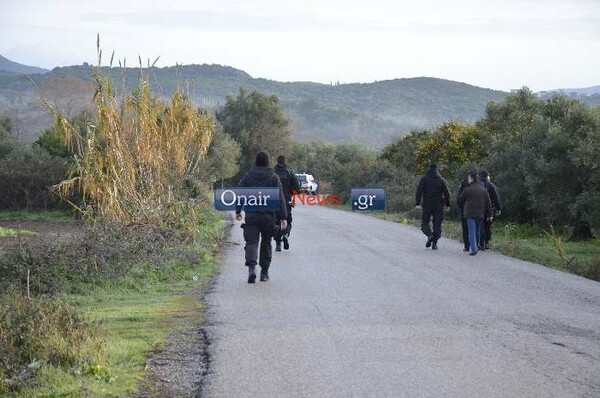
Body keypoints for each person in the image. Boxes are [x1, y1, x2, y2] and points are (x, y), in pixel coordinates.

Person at [236, 152, 288, 283]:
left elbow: (240, 194)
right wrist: (283, 217)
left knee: (251, 242)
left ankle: (252, 268)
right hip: (268, 216)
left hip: (251, 215)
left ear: (256, 162)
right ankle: (264, 272)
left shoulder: (248, 176)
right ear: (267, 162)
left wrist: (238, 210)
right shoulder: (273, 177)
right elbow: (280, 198)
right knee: (266, 242)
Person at [415, 163, 451, 250]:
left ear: (429, 169)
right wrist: (447, 204)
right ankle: (435, 243)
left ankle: (430, 235)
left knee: (425, 222)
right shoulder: (441, 180)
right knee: (437, 224)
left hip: (427, 204)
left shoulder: (424, 179)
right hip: (438, 205)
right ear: (437, 170)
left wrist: (417, 203)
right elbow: (447, 193)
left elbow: (419, 191)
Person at [457, 170, 492, 256]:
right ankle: (476, 245)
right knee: (477, 230)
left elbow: (460, 200)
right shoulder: (483, 190)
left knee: (471, 230)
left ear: (471, 178)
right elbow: (488, 203)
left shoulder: (468, 189)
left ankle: (473, 249)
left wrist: (462, 206)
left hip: (469, 212)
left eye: (469, 177)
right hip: (480, 213)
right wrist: (488, 213)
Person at [273, 155, 300, 252]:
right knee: (287, 220)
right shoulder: (290, 173)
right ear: (284, 162)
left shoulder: (272, 173)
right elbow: (298, 189)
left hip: (274, 200)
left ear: (277, 162)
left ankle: (278, 244)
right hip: (286, 200)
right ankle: (285, 234)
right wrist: (290, 193)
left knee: (275, 222)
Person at [479, 170, 502, 250]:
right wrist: (498, 208)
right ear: (487, 177)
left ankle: (480, 243)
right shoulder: (491, 186)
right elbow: (496, 198)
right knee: (488, 226)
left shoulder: (477, 185)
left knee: (480, 225)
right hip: (489, 209)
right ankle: (486, 242)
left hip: (479, 208)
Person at [457, 176, 472, 252]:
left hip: (465, 209)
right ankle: (476, 244)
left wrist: (460, 206)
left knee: (465, 228)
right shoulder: (480, 185)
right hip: (478, 210)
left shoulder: (463, 184)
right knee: (476, 228)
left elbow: (460, 197)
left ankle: (467, 246)